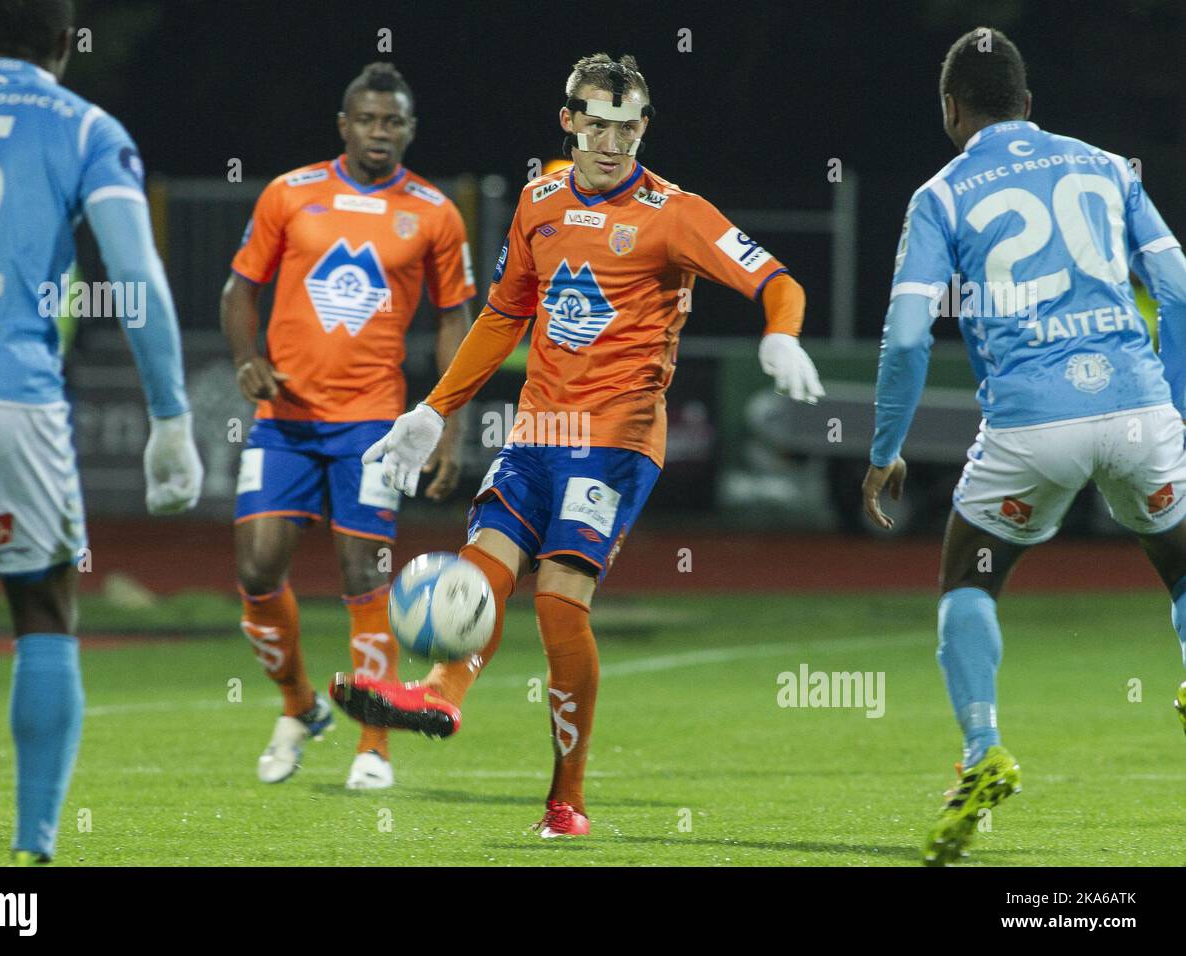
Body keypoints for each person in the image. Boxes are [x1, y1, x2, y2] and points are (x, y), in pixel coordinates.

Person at [330, 53, 824, 835]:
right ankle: (442, 697)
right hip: (537, 431)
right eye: (596, 123)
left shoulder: (675, 212)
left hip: (618, 437)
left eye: (627, 127)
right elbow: (502, 316)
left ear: (643, 128)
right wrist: (433, 409)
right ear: (568, 120)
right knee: (484, 566)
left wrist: (782, 334)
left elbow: (778, 281)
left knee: (559, 602)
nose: (611, 142)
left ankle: (566, 801)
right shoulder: (539, 201)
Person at [0, 0, 203, 863]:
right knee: (43, 609)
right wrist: (170, 417)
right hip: (11, 398)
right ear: (65, 45)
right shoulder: (87, 128)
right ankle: (33, 849)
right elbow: (133, 274)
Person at [862, 27, 1186, 866]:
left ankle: (981, 750)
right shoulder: (1112, 168)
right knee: (1183, 564)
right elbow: (1179, 286)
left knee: (970, 576)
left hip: (1028, 429)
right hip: (1138, 410)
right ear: (1030, 105)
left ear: (950, 110)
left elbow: (904, 339)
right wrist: (1174, 404)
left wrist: (885, 448)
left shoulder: (940, 194)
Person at [222, 62, 475, 790]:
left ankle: (374, 746)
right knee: (256, 570)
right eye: (367, 120)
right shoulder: (289, 193)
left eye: (393, 122)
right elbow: (240, 290)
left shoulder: (433, 212)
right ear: (344, 125)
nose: (379, 133)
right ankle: (300, 706)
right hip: (284, 421)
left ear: (410, 131)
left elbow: (453, 318)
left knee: (365, 576)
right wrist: (247, 360)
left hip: (373, 426)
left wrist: (445, 425)